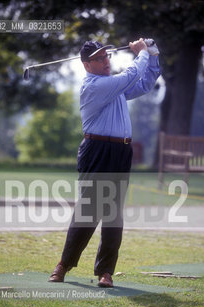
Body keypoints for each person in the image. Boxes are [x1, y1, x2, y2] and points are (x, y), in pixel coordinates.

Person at [49, 38, 160, 287]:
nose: (106, 61)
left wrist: (153, 55)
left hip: (121, 152)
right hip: (97, 150)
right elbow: (130, 76)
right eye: (99, 58)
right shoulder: (94, 86)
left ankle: (106, 272)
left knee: (113, 214)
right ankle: (64, 265)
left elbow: (144, 84)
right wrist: (141, 52)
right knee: (89, 210)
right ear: (87, 65)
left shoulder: (113, 86)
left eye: (107, 56)